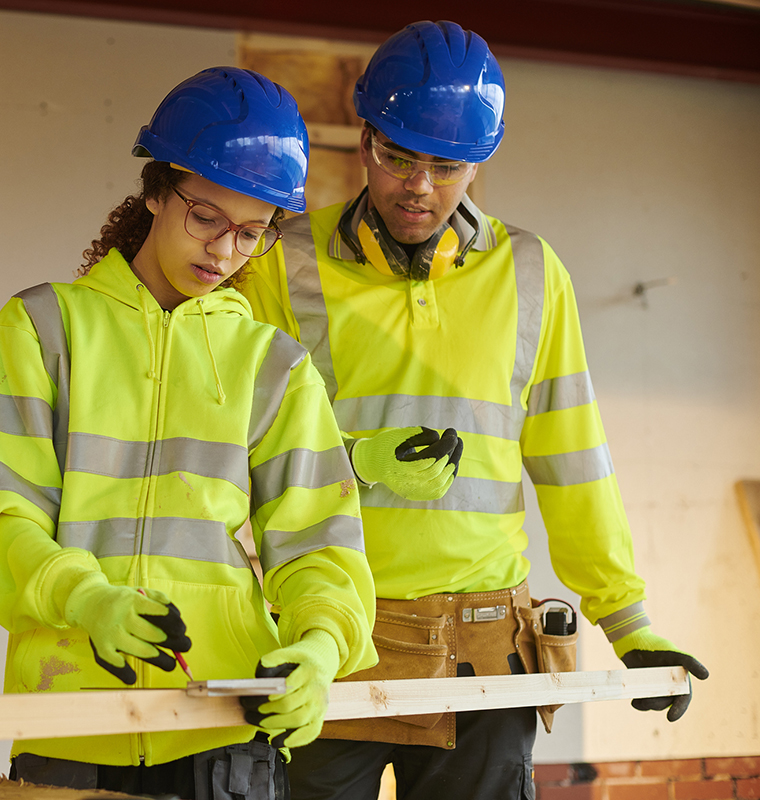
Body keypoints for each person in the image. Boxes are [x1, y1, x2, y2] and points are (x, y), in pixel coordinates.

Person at [239, 21, 710, 800]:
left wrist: (630, 625)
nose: (418, 186)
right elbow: (238, 449)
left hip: (485, 650)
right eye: (398, 157)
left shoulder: (531, 274)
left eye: (447, 165)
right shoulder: (281, 264)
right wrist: (355, 459)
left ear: (479, 162)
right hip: (330, 640)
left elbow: (574, 461)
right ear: (364, 141)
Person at [0, 67, 381, 800]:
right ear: (155, 190)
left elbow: (319, 545)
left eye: (252, 233)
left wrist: (318, 645)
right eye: (205, 217)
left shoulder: (270, 364)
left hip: (226, 736)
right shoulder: (42, 329)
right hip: (70, 722)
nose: (224, 252)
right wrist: (86, 600)